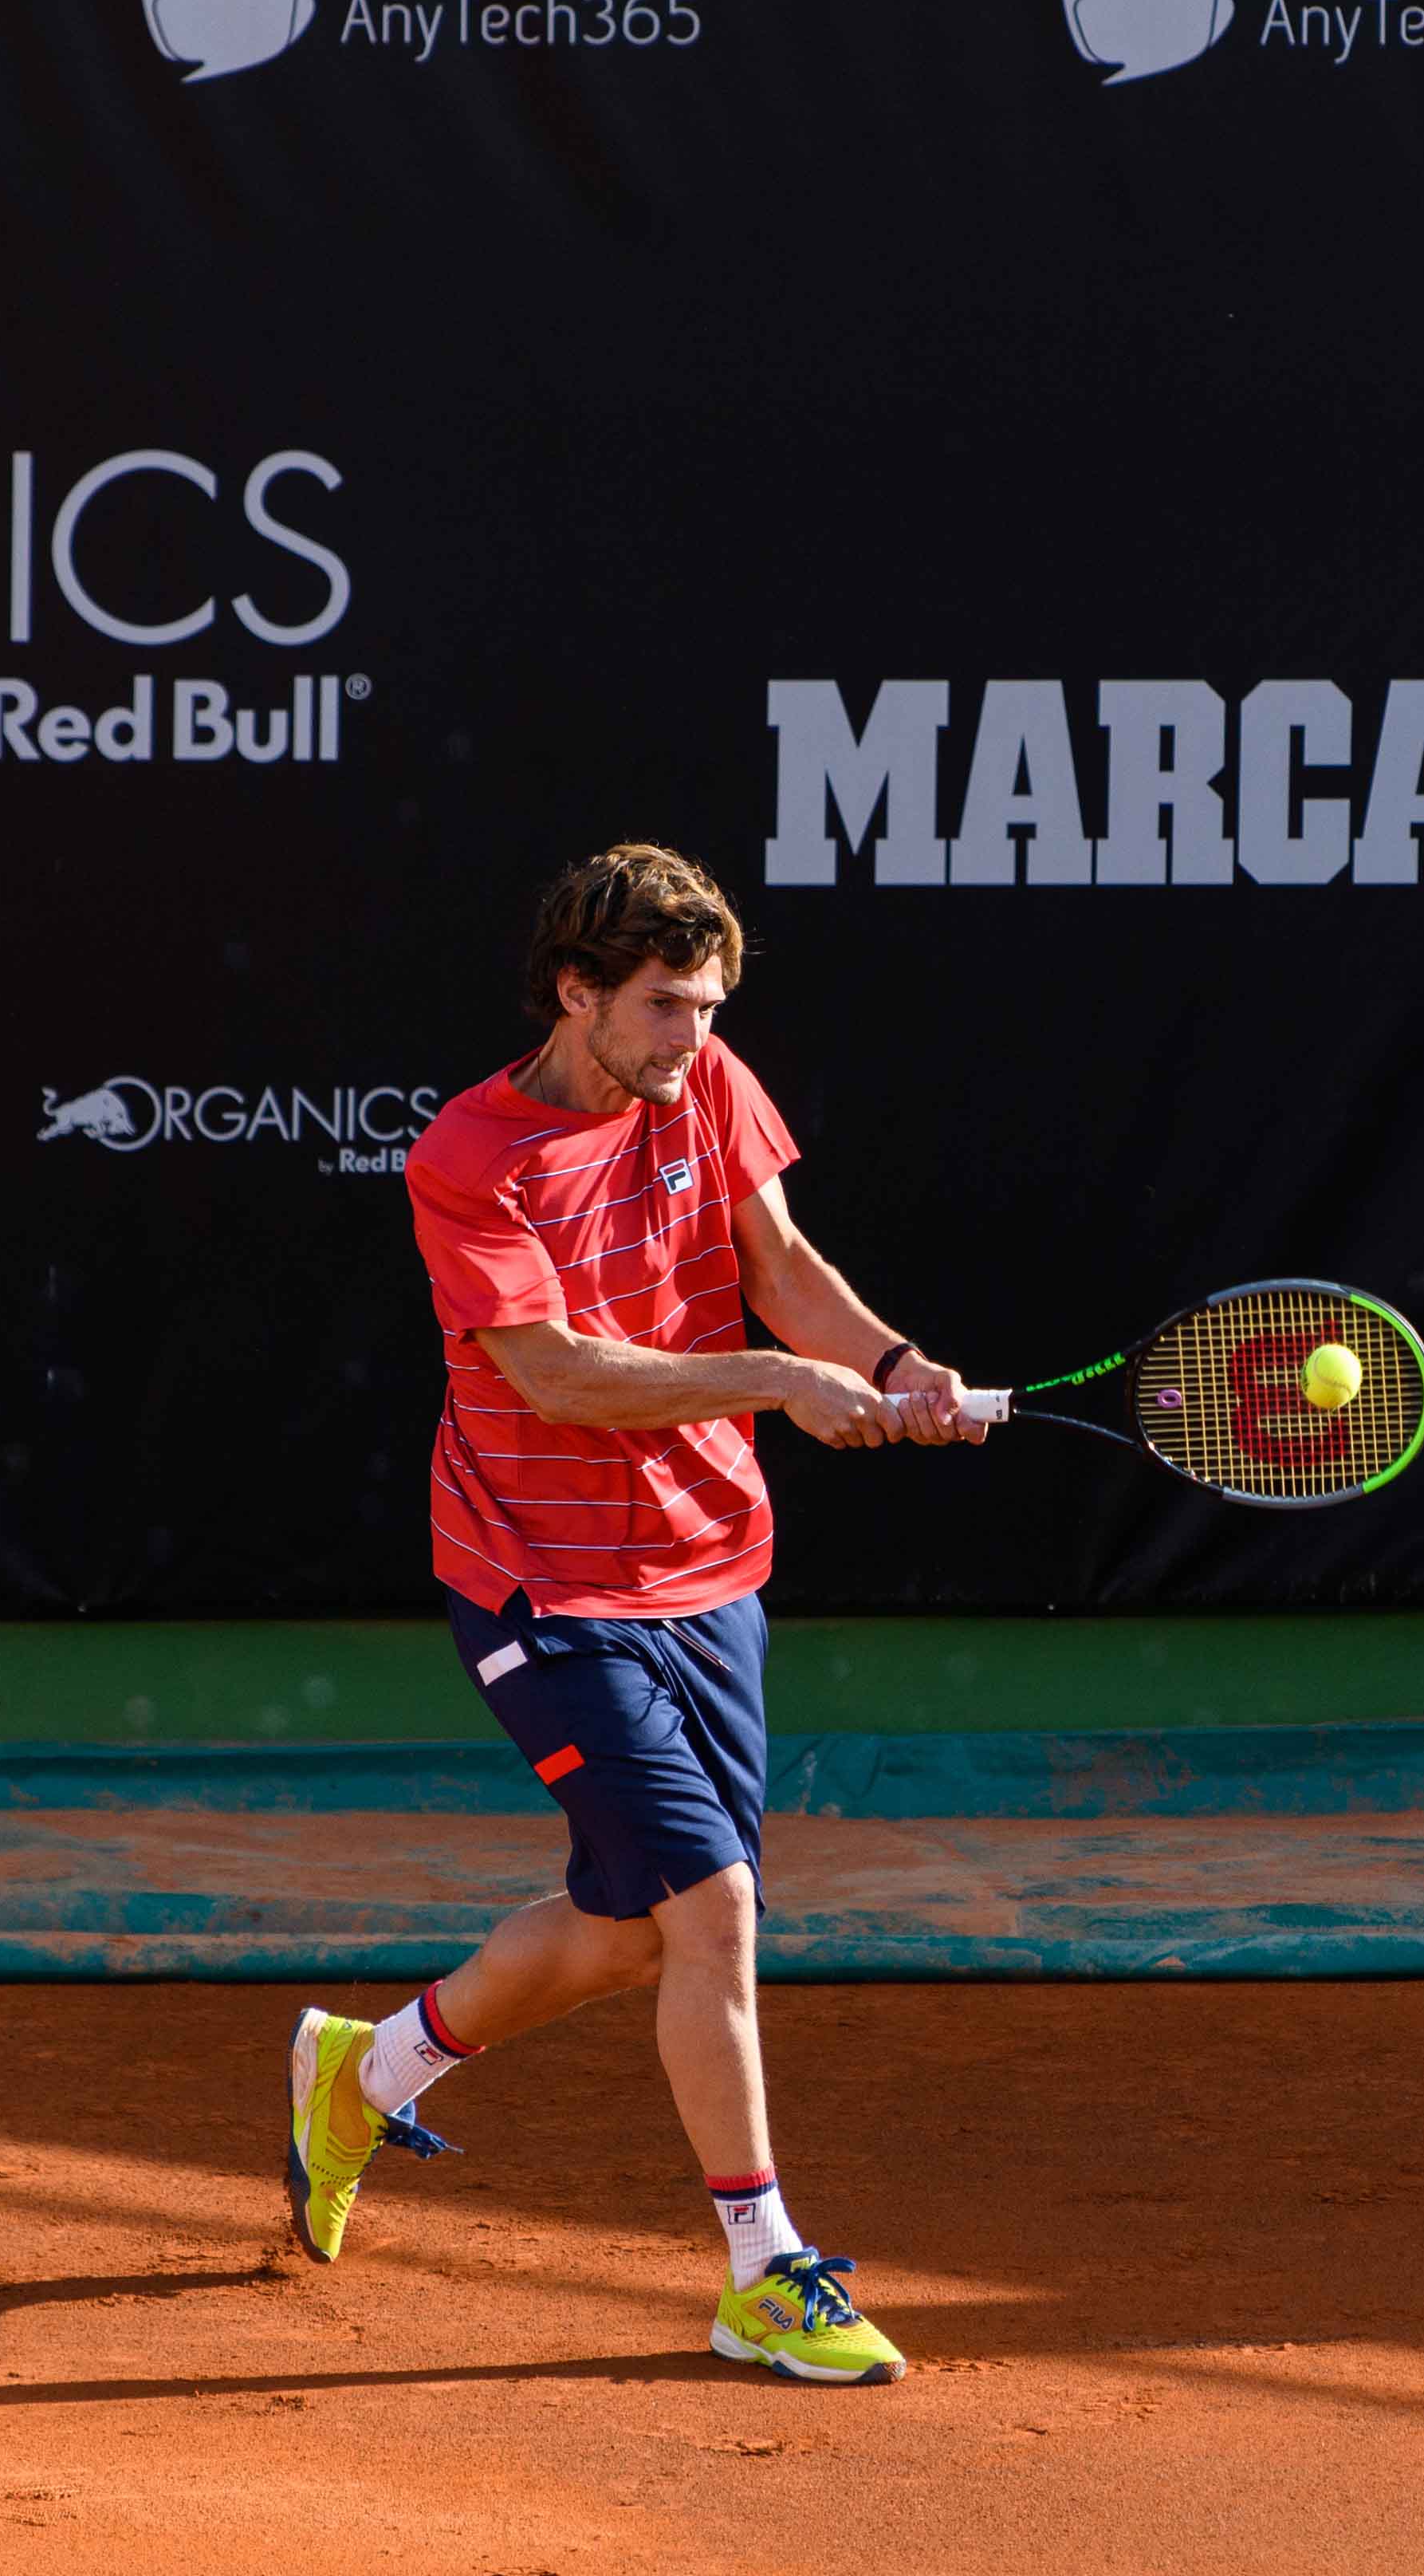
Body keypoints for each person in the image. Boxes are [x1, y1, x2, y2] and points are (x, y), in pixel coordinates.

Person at [278, 842, 981, 2385]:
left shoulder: (706, 1081)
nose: (690, 1035)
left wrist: (890, 1367)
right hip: (541, 1578)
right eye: (662, 1005)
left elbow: (782, 1269)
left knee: (622, 1935)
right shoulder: (471, 1157)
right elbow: (561, 1378)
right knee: (714, 1910)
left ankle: (364, 2071)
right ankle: (764, 2269)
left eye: (709, 1006)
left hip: (712, 1565)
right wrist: (784, 1387)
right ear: (574, 992)